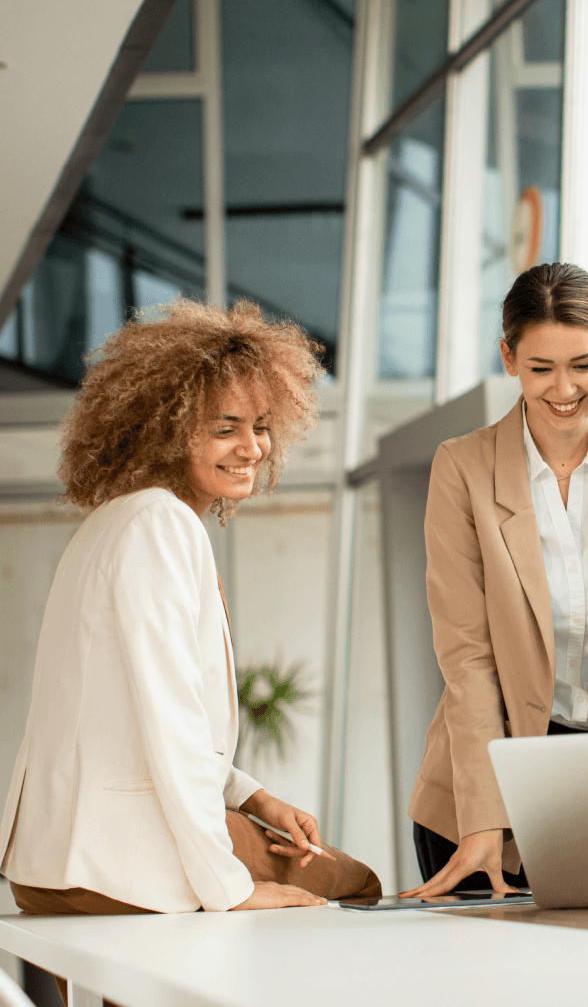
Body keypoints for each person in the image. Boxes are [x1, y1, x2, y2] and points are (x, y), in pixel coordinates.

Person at [0, 300, 380, 939]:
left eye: (260, 425)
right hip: (114, 866)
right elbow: (171, 722)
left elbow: (129, 717)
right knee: (353, 880)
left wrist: (252, 797)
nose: (251, 447)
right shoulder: (159, 524)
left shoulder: (114, 521)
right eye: (225, 427)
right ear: (166, 426)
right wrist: (230, 888)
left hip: (51, 864)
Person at [403, 262, 588, 898]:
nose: (564, 389)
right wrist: (484, 818)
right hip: (484, 786)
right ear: (508, 358)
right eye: (541, 369)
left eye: (583, 365)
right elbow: (467, 658)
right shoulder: (463, 469)